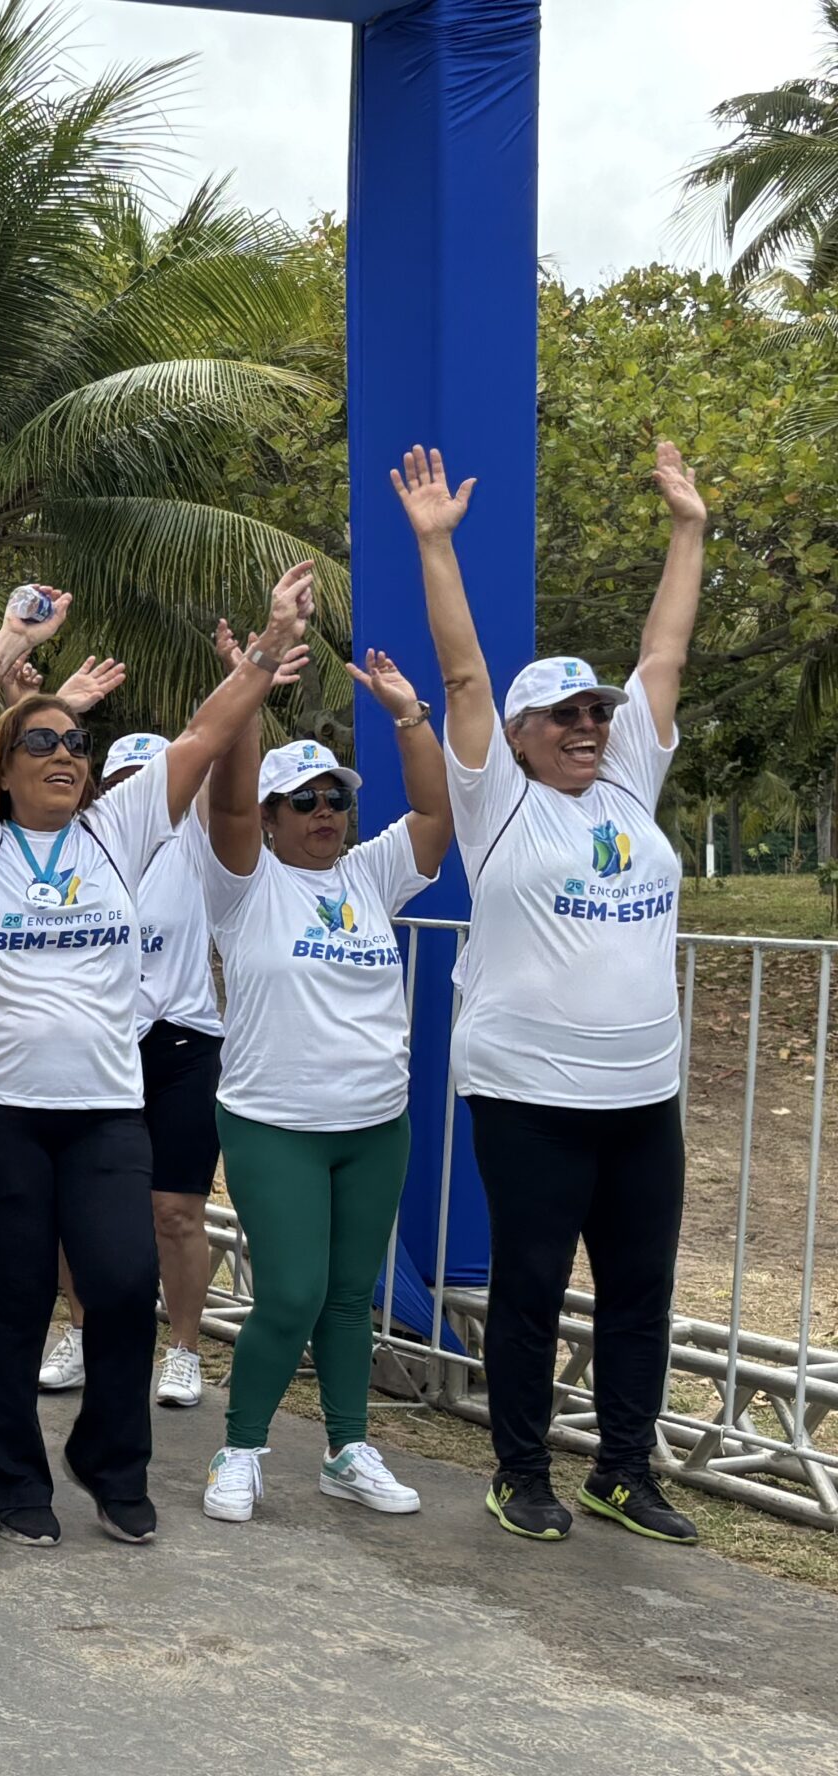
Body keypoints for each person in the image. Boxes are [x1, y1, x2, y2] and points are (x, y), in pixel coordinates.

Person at [0, 568, 309, 1550]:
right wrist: (8, 648)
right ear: (5, 768)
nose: (64, 753)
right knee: (16, 1300)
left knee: (125, 1286)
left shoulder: (117, 831)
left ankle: (109, 1461)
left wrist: (264, 649)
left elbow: (204, 736)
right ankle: (16, 1480)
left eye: (76, 744)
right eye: (41, 742)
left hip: (102, 1111)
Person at [394, 440, 706, 1545]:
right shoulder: (499, 806)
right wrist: (436, 545)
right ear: (521, 738)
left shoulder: (628, 787)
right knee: (530, 1289)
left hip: (642, 1098)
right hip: (530, 1097)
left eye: (595, 714)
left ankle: (622, 1471)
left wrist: (688, 528)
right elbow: (464, 678)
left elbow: (663, 654)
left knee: (638, 1293)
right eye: (563, 716)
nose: (586, 727)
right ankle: (521, 1472)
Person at [197, 646, 452, 1521]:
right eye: (302, 801)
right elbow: (227, 803)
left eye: (336, 798)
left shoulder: (371, 874)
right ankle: (241, 1449)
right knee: (292, 1293)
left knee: (349, 1298)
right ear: (271, 817)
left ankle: (347, 1449)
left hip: (375, 1124)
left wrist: (409, 717)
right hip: (274, 1124)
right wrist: (251, 689)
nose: (324, 813)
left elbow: (435, 811)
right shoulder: (243, 884)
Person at [36, 726, 223, 1408]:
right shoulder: (85, 846)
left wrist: (249, 681)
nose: (140, 793)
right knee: (77, 1203)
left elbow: (215, 754)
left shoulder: (195, 841)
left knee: (175, 1211)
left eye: (154, 779)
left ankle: (183, 1351)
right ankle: (81, 1332)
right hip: (98, 1040)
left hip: (181, 1044)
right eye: (124, 782)